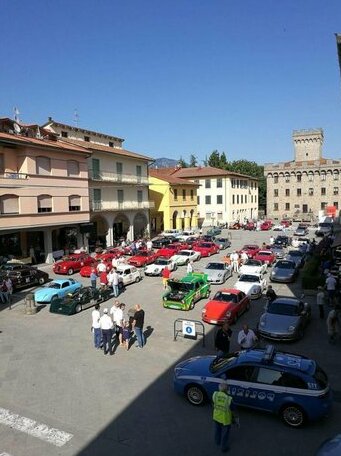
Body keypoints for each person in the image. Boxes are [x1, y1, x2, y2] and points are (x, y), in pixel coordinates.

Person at [212, 383, 234, 453]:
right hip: (225, 419)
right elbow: (233, 408)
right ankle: (223, 447)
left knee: (217, 430)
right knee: (225, 434)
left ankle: (217, 441)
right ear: (227, 390)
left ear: (219, 388)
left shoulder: (215, 394)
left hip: (216, 416)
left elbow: (213, 403)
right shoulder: (229, 399)